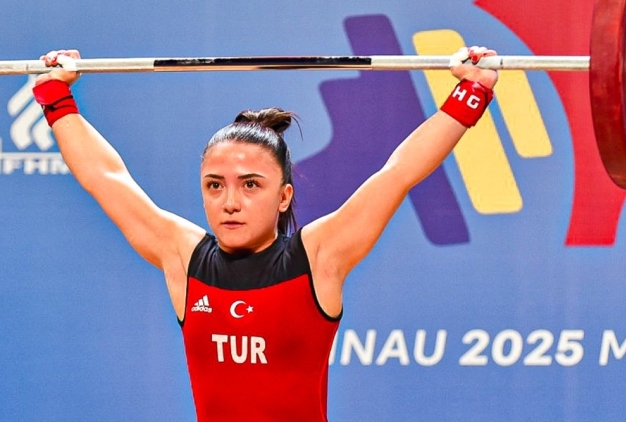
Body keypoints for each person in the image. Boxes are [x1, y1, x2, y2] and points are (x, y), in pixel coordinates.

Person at [32, 46, 498, 421]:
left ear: (284, 196)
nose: (230, 202)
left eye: (250, 185)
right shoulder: (183, 257)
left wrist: (471, 92)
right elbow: (106, 178)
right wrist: (55, 95)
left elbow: (398, 174)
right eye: (215, 185)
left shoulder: (319, 257)